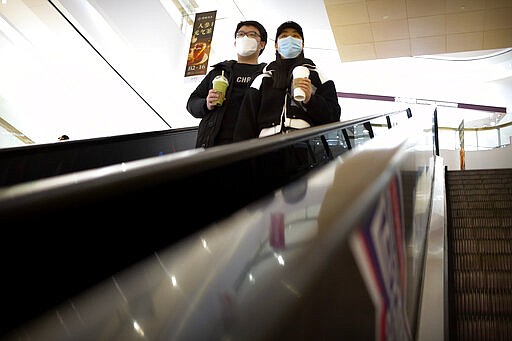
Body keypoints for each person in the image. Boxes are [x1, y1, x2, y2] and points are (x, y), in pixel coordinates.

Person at [233, 21, 341, 141]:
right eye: (284, 36)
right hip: (265, 147)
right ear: (276, 45)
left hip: (305, 145)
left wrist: (311, 100)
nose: (290, 38)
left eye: (295, 36)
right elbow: (246, 120)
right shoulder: (263, 77)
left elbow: (334, 117)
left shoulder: (318, 76)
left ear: (302, 44)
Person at [186, 20, 268, 148]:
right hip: (211, 146)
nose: (245, 37)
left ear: (262, 44)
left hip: (249, 148)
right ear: (235, 42)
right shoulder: (220, 71)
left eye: (252, 34)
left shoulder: (266, 75)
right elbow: (191, 103)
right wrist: (206, 103)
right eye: (241, 34)